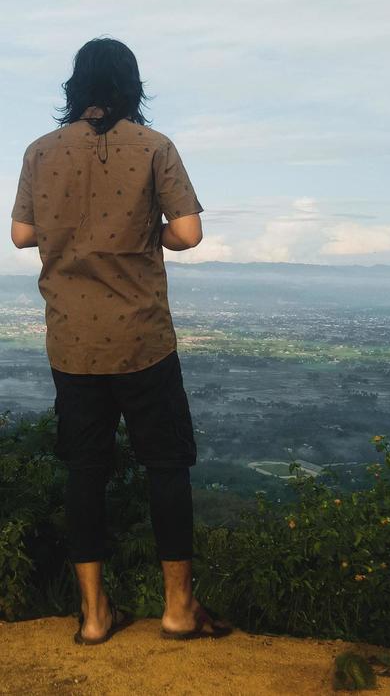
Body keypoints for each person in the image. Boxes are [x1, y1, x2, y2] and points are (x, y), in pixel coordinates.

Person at [10, 36, 232, 644]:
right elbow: (187, 233)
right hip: (141, 341)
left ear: (75, 86)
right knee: (167, 464)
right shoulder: (155, 147)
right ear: (132, 86)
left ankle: (93, 615)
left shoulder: (39, 151)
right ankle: (179, 610)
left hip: (72, 343)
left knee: (84, 470)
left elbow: (22, 235)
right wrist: (150, 233)